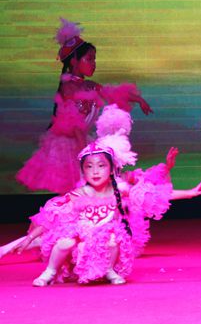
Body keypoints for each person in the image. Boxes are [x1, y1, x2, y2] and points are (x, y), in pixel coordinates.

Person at [26, 105, 201, 286]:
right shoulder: (81, 193)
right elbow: (54, 217)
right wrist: (30, 237)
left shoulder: (122, 187)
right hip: (82, 235)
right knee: (64, 242)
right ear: (84, 171)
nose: (96, 171)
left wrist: (188, 193)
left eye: (102, 166)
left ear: (112, 167)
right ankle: (49, 271)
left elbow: (153, 196)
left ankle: (109, 269)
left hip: (106, 232)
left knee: (113, 240)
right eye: (90, 167)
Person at [16, 18, 152, 194]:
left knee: (90, 189)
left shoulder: (89, 86)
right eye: (89, 59)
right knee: (76, 189)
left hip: (83, 142)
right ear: (74, 61)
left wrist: (138, 99)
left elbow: (112, 93)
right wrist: (85, 155)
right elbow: (74, 125)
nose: (93, 64)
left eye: (94, 59)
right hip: (69, 148)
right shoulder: (69, 88)